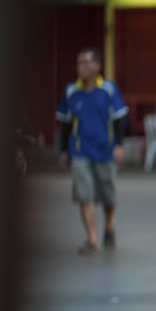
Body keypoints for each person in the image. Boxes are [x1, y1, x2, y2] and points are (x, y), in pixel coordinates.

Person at [56, 47, 129, 255]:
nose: (82, 67)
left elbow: (119, 118)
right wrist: (63, 152)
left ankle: (108, 228)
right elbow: (66, 124)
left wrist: (119, 145)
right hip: (80, 152)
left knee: (108, 198)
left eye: (87, 63)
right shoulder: (71, 91)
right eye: (79, 63)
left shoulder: (108, 89)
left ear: (98, 66)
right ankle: (92, 240)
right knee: (84, 196)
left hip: (105, 151)